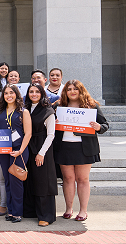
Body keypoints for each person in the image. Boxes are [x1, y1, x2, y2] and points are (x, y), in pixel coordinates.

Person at [53, 80, 108, 222]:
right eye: (69, 89)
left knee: (82, 179)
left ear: (80, 90)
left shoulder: (91, 106)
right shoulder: (59, 106)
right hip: (64, 147)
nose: (72, 91)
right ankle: (68, 209)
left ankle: (83, 211)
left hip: (85, 148)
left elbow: (105, 124)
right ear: (65, 92)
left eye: (75, 89)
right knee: (68, 179)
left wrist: (98, 127)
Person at [0, 84, 32, 223]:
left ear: (17, 94)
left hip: (19, 150)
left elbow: (28, 133)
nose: (8, 95)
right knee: (8, 181)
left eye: (11, 93)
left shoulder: (23, 111)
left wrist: (21, 151)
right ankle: (10, 211)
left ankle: (17, 213)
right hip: (4, 151)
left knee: (16, 181)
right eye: (6, 93)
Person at [23, 84, 57, 226]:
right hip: (28, 147)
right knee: (30, 179)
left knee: (43, 181)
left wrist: (41, 153)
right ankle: (31, 211)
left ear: (42, 93)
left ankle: (46, 215)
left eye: (37, 92)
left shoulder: (48, 110)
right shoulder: (25, 109)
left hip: (43, 148)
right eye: (31, 92)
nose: (34, 94)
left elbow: (51, 135)